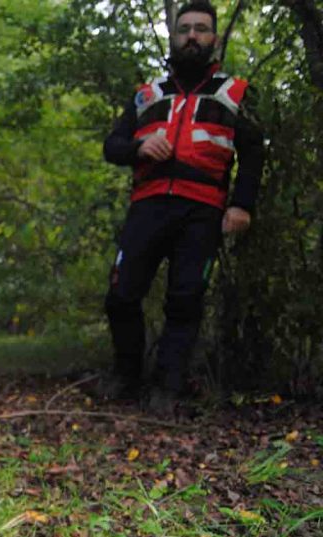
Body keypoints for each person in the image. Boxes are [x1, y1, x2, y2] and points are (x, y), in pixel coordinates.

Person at [101, 0, 264, 414]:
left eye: (201, 29)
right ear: (173, 38)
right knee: (121, 295)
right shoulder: (146, 95)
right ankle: (126, 376)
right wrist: (138, 146)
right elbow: (112, 147)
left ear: (213, 39)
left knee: (186, 299)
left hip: (203, 211)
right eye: (184, 29)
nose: (192, 36)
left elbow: (253, 154)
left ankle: (167, 390)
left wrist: (241, 205)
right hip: (148, 206)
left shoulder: (236, 93)